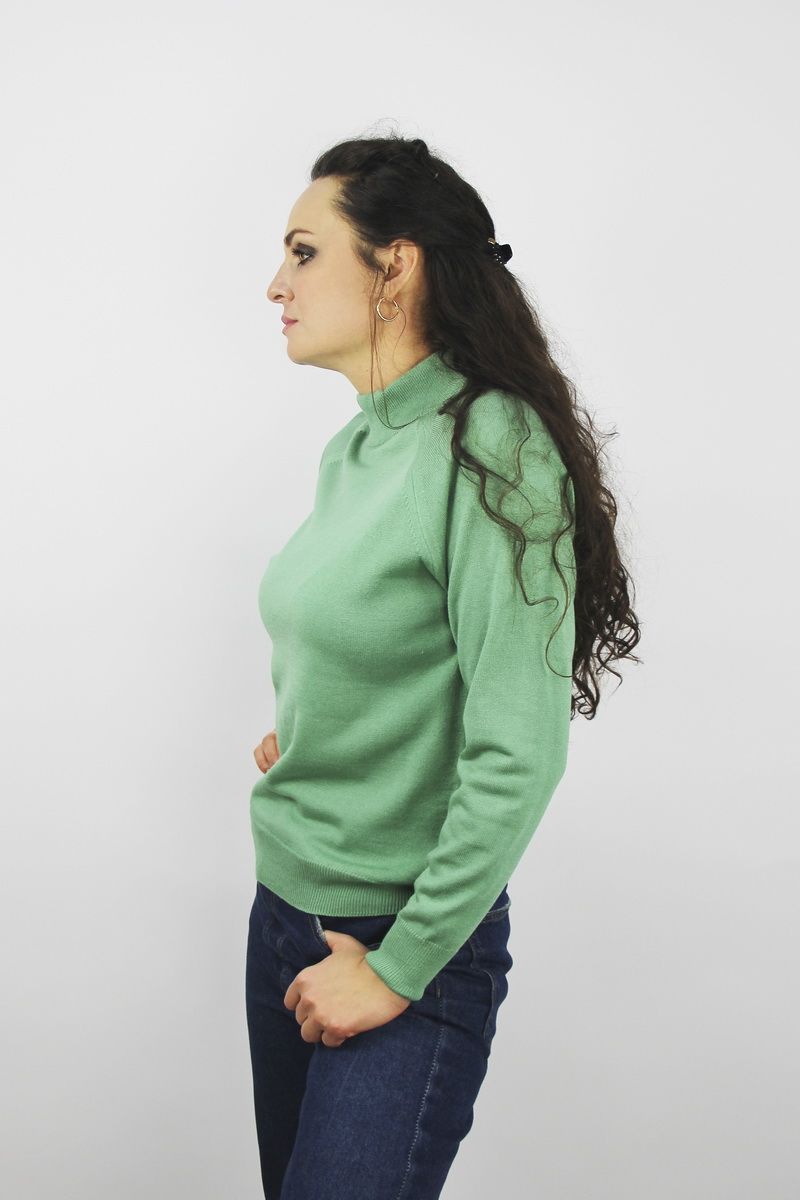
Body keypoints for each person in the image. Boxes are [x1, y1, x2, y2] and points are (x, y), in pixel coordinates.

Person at [245, 133, 641, 1200]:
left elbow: (519, 748)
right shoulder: (359, 446)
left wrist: (397, 968)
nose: (275, 284)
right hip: (283, 910)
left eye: (303, 251)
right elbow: (385, 649)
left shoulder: (494, 445)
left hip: (403, 939)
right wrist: (323, 733)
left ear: (396, 266)